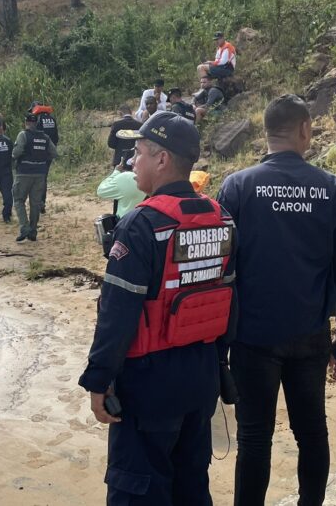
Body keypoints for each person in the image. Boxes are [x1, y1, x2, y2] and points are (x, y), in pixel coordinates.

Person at [216, 94, 336, 506]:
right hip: (309, 334)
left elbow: (220, 268)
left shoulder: (237, 186)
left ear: (267, 133)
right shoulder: (332, 189)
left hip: (251, 336)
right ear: (304, 129)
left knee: (253, 436)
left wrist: (216, 341)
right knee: (312, 432)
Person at [79, 111, 237, 506]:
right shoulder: (222, 219)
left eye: (139, 153)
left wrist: (98, 381)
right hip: (201, 377)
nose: (133, 162)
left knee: (137, 489)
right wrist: (217, 366)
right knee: (190, 487)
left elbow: (117, 314)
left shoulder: (140, 225)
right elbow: (230, 302)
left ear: (162, 159)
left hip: (149, 386)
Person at [12, 112, 57, 242]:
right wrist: (42, 159)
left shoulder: (23, 135)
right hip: (40, 173)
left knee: (19, 200)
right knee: (35, 203)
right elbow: (54, 153)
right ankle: (33, 231)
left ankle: (24, 227)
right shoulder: (45, 137)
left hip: (24, 173)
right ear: (37, 123)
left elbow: (16, 152)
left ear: (26, 122)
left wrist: (14, 158)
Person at [95, 153, 144, 218]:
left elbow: (101, 191)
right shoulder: (150, 178)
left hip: (125, 222)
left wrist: (116, 172)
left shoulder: (124, 177)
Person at [31, 102, 60, 212]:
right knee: (44, 178)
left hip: (38, 153)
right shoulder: (52, 119)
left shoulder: (37, 119)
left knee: (36, 178)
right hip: (49, 154)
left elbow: (33, 136)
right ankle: (42, 204)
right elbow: (56, 137)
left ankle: (38, 203)